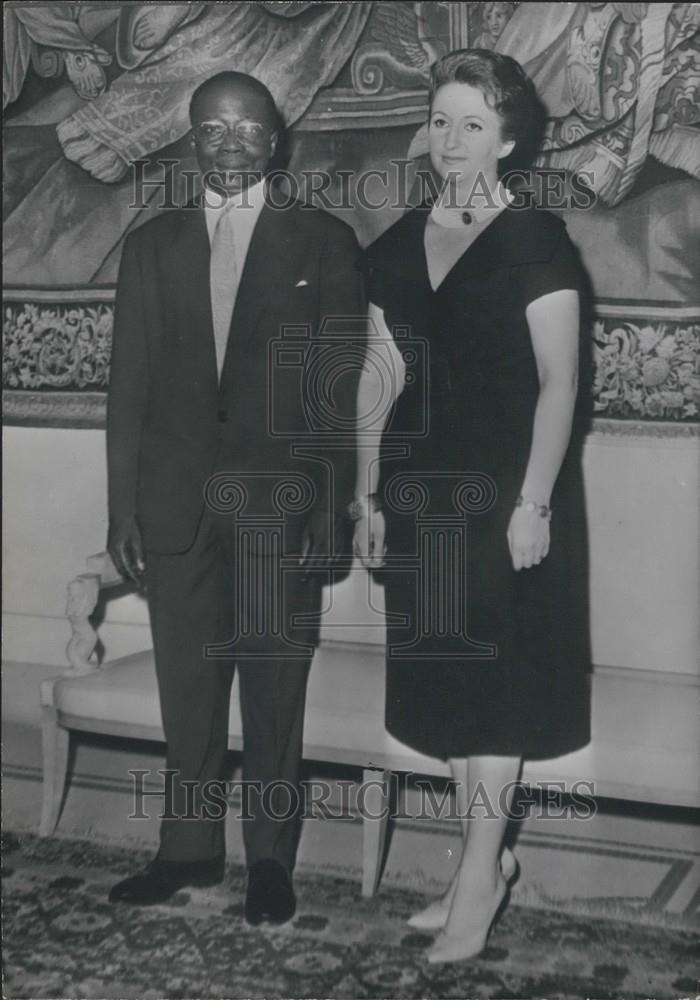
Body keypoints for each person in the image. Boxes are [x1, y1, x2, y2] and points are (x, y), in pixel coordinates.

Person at [106, 71, 364, 924]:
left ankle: (269, 865)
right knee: (189, 684)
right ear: (190, 139)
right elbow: (129, 391)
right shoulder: (151, 246)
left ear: (274, 140)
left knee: (274, 687)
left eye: (246, 129)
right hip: (175, 508)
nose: (228, 143)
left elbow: (334, 393)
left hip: (279, 509)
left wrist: (331, 508)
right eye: (211, 129)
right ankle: (186, 851)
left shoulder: (323, 242)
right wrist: (122, 513)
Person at [354, 49, 591, 964]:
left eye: (474, 126)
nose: (452, 142)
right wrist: (371, 497)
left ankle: (479, 881)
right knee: (451, 686)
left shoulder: (536, 239)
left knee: (494, 695)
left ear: (510, 139)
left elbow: (560, 381)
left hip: (505, 495)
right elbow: (380, 380)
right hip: (419, 496)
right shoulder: (399, 241)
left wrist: (533, 503)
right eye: (442, 121)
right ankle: (478, 868)